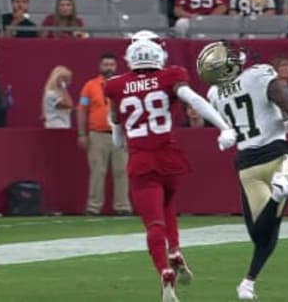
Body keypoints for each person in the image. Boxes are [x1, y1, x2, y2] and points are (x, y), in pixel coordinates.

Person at [197, 41, 288, 300]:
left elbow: (263, 124)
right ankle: (278, 193)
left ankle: (248, 283)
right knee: (269, 229)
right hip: (275, 158)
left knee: (260, 234)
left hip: (247, 164)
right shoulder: (259, 75)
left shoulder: (214, 95)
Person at [105, 31, 237, 302]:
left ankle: (165, 271)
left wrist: (121, 139)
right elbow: (195, 100)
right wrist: (224, 127)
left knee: (153, 223)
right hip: (169, 157)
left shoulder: (116, 85)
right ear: (157, 55)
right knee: (168, 206)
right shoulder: (170, 76)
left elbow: (117, 128)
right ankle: (174, 249)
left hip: (141, 160)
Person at [77, 53, 132, 216]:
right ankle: (94, 207)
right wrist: (82, 133)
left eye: (111, 65)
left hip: (119, 134)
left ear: (116, 67)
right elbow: (82, 109)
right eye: (105, 65)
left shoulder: (124, 84)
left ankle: (122, 206)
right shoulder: (90, 85)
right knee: (97, 171)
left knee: (122, 171)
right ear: (100, 66)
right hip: (97, 134)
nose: (108, 68)